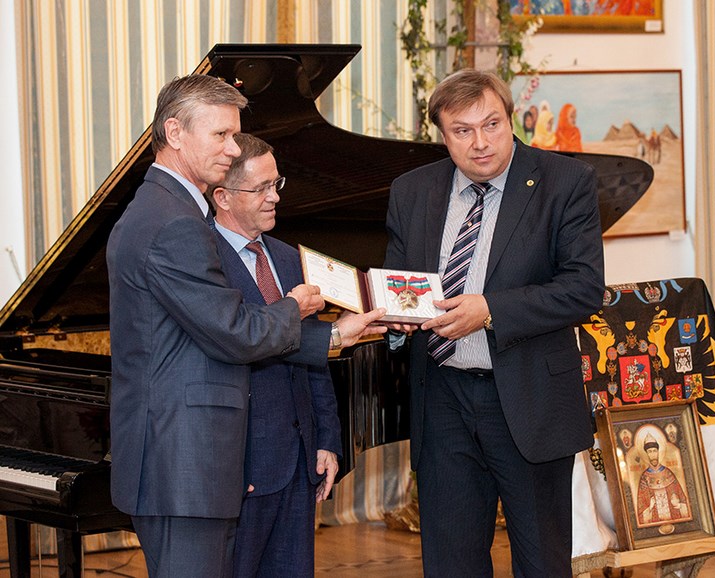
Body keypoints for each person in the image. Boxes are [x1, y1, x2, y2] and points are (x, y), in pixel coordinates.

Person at [107, 74, 383, 578]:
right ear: (175, 132)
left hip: (185, 464)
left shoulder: (163, 210)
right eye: (221, 135)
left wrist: (332, 335)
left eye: (235, 136)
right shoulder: (174, 222)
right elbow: (233, 331)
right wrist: (298, 309)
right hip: (184, 465)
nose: (233, 149)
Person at [384, 69, 604, 577]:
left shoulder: (564, 182)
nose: (480, 143)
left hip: (528, 400)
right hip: (441, 400)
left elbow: (583, 288)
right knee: (451, 563)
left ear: (510, 119)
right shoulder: (412, 190)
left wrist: (489, 311)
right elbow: (399, 281)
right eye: (462, 131)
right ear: (442, 135)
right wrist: (394, 319)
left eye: (491, 125)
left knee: (541, 563)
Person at [207, 133, 379, 577]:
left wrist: (327, 438)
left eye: (276, 183)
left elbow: (313, 354)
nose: (275, 197)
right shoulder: (203, 263)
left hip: (298, 463)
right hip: (239, 469)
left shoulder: (288, 258)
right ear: (223, 197)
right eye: (261, 188)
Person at [637, 434, 690, 525]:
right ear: (646, 454)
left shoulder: (668, 473)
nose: (653, 454)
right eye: (650, 452)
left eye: (654, 451)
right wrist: (650, 507)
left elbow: (682, 498)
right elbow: (641, 507)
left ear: (658, 452)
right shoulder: (644, 477)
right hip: (655, 521)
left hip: (674, 520)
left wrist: (680, 505)